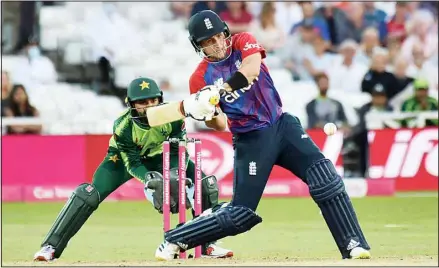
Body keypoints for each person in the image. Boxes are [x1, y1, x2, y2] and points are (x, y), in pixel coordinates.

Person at [154, 10, 371, 261]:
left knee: (326, 178)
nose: (217, 45)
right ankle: (176, 239)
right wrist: (205, 112)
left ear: (225, 33)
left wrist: (220, 91)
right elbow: (219, 123)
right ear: (198, 46)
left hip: (282, 125)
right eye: (208, 42)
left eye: (218, 37)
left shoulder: (242, 40)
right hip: (251, 139)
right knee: (241, 215)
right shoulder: (199, 78)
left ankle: (353, 244)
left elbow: (251, 70)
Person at [33, 77, 232, 261]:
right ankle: (50, 247)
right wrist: (150, 179)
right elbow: (132, 163)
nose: (148, 107)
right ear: (131, 104)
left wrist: (175, 175)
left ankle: (208, 245)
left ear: (159, 100)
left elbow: (178, 151)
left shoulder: (173, 115)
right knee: (87, 194)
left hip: (163, 155)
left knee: (206, 185)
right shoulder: (123, 126)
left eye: (152, 101)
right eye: (142, 103)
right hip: (120, 160)